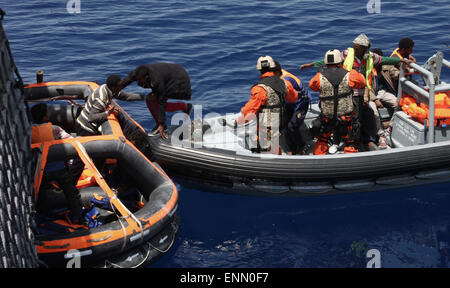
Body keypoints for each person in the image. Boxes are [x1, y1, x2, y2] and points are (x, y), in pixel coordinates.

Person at [300, 33, 411, 151]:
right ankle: (340, 142)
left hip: (364, 93)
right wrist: (311, 64)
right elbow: (328, 61)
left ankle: (371, 139)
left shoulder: (370, 57)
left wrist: (401, 60)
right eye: (355, 46)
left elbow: (385, 60)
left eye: (358, 47)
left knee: (369, 114)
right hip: (347, 93)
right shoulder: (346, 55)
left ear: (364, 48)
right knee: (344, 117)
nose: (355, 48)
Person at [30, 103, 84, 224]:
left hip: (41, 170)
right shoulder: (55, 129)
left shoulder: (28, 132)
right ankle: (78, 215)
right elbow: (71, 141)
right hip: (59, 168)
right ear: (45, 117)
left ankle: (43, 216)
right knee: (70, 192)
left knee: (40, 194)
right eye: (48, 112)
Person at [308, 49, 367, 155]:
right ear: (341, 61)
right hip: (345, 117)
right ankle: (350, 162)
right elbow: (362, 83)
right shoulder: (351, 75)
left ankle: (318, 160)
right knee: (350, 141)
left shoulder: (319, 77)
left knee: (322, 140)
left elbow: (312, 86)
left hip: (327, 117)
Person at [236, 55, 298, 154]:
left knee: (266, 145)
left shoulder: (259, 89)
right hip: (279, 123)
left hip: (265, 128)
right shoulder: (285, 83)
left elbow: (250, 110)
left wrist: (239, 121)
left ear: (260, 70)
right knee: (273, 143)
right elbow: (293, 98)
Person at [119, 63, 193, 140]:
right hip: (167, 77)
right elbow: (126, 81)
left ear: (146, 77)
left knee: (159, 105)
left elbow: (162, 101)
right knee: (150, 101)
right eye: (137, 79)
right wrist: (116, 89)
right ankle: (162, 123)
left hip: (176, 81)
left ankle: (183, 108)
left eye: (140, 80)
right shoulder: (136, 74)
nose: (138, 82)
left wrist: (161, 124)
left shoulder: (157, 81)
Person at [274, 61, 311, 155]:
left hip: (300, 103)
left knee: (292, 126)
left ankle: (302, 146)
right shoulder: (276, 77)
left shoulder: (286, 80)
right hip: (289, 103)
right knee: (285, 125)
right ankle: (291, 148)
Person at [369, 48, 400, 148]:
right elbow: (365, 87)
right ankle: (381, 134)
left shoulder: (386, 66)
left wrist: (403, 71)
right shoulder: (366, 69)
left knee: (398, 103)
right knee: (373, 110)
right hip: (371, 93)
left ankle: (390, 128)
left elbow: (394, 73)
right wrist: (375, 99)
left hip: (384, 92)